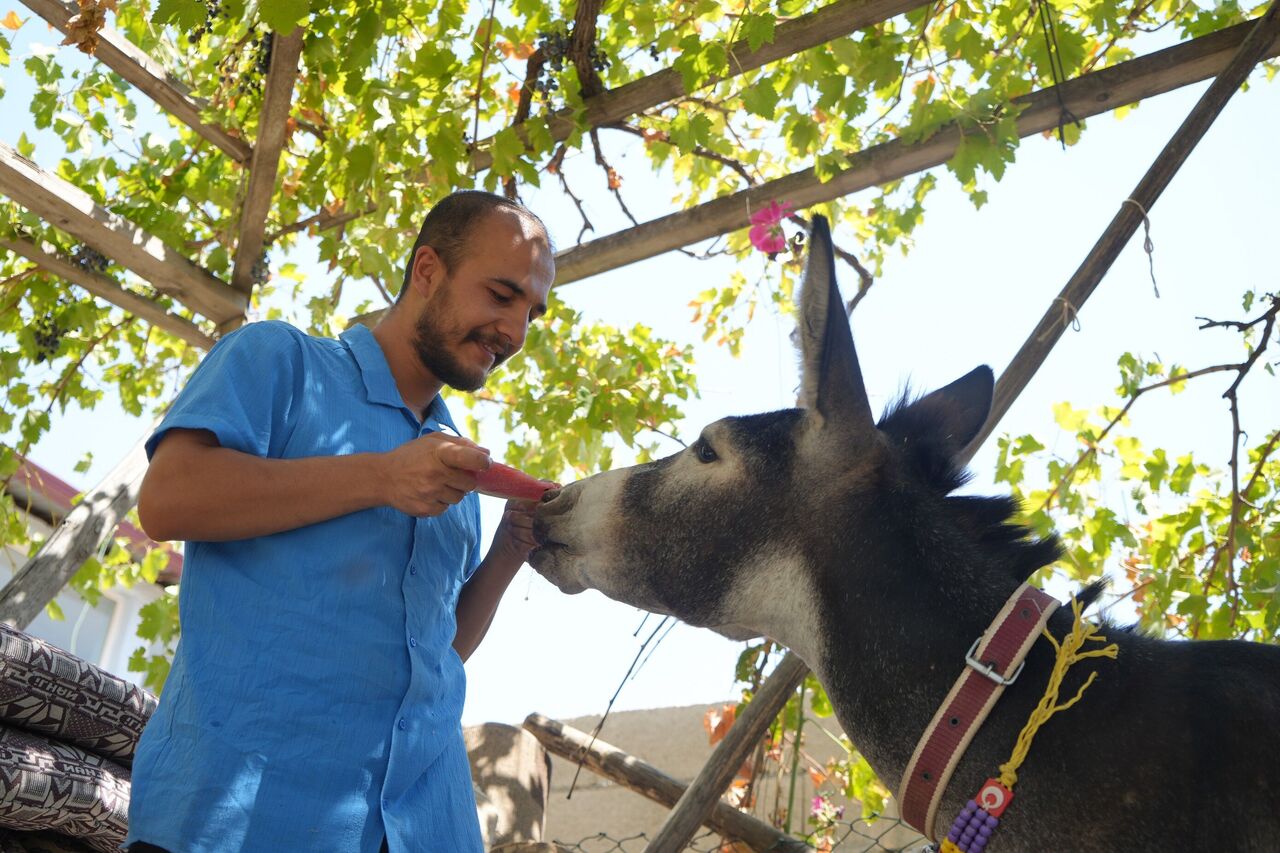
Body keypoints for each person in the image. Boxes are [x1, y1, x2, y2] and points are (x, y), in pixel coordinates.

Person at [124, 191, 556, 852]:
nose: (516, 332)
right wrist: (381, 476)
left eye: (532, 313)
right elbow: (167, 499)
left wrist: (507, 552)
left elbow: (434, 652)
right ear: (427, 271)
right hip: (239, 823)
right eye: (502, 294)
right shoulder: (278, 360)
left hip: (427, 827)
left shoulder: (456, 472)